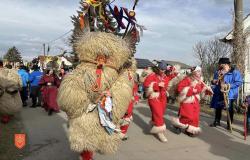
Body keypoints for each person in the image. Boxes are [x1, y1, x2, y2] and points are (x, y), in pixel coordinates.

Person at [171, 66, 213, 136]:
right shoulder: (187, 79)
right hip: (187, 100)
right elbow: (179, 89)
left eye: (200, 71)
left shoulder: (200, 81)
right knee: (188, 116)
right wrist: (191, 89)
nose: (200, 73)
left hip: (195, 100)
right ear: (194, 72)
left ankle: (190, 129)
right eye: (198, 71)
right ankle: (178, 124)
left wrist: (207, 90)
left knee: (195, 117)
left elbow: (201, 91)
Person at [143, 61, 177, 142]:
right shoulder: (152, 75)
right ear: (158, 68)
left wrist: (175, 69)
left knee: (159, 114)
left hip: (163, 97)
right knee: (158, 113)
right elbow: (145, 84)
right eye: (161, 69)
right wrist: (156, 85)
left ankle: (154, 126)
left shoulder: (165, 76)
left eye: (164, 69)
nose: (162, 70)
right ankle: (160, 132)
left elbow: (173, 75)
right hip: (154, 97)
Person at [210, 58, 242, 130]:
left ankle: (229, 124)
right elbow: (214, 80)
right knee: (218, 107)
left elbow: (238, 82)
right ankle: (217, 121)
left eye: (221, 64)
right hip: (219, 92)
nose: (219, 65)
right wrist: (214, 81)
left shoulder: (235, 72)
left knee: (229, 109)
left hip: (229, 93)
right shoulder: (218, 72)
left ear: (226, 64)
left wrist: (228, 85)